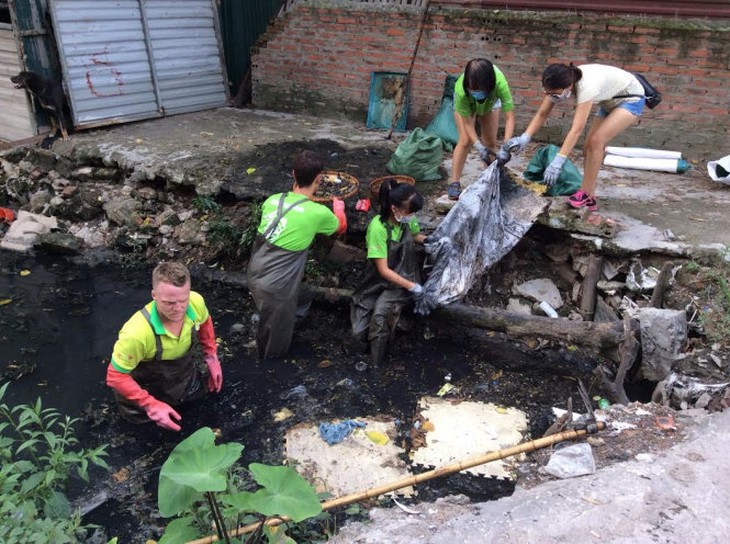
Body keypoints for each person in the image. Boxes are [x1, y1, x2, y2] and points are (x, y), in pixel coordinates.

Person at [501, 63, 646, 211]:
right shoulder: (558, 81)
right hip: (609, 100)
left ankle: (585, 195)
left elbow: (577, 129)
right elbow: (542, 113)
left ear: (568, 87)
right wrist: (525, 137)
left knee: (596, 142)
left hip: (630, 99)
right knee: (586, 149)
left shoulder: (586, 87)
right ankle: (590, 196)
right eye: (548, 93)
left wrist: (559, 160)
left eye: (556, 95)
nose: (552, 97)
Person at [247, 150, 347, 359]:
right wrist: (339, 208)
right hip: (276, 285)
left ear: (293, 174)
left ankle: (280, 318)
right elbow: (341, 227)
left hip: (256, 271)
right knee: (276, 336)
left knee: (303, 296)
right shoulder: (318, 213)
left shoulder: (273, 200)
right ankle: (270, 362)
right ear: (319, 179)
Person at [106, 262, 223, 432]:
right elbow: (115, 376)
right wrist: (150, 405)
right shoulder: (136, 333)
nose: (178, 309)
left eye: (183, 300)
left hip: (182, 381)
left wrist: (211, 356)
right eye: (169, 303)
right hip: (143, 393)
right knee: (147, 436)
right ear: (154, 295)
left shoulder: (195, 302)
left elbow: (205, 321)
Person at [351, 179, 426, 365]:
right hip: (378, 280)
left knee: (379, 317)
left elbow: (416, 236)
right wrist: (413, 287)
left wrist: (433, 241)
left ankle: (377, 364)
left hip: (403, 277)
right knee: (358, 332)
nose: (413, 216)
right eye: (410, 212)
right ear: (395, 209)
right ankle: (359, 354)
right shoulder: (378, 227)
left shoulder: (408, 217)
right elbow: (383, 270)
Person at [449, 58, 516, 200]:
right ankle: (454, 182)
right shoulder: (461, 89)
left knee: (490, 142)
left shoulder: (500, 84)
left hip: (490, 104)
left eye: (479, 89)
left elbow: (510, 117)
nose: (476, 92)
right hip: (467, 103)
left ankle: (488, 180)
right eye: (473, 89)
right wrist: (478, 146)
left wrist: (506, 146)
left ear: (489, 85)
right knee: (465, 140)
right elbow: (467, 123)